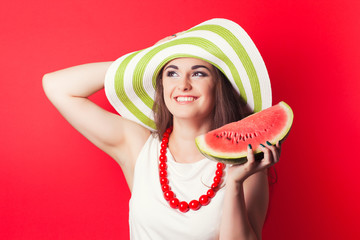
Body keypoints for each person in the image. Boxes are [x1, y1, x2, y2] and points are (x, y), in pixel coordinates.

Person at [43, 18, 281, 240]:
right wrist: (146, 59)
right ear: (162, 85)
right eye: (172, 73)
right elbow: (56, 86)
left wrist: (236, 185)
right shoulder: (138, 146)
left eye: (198, 73)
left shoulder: (245, 161)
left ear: (218, 87)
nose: (183, 84)